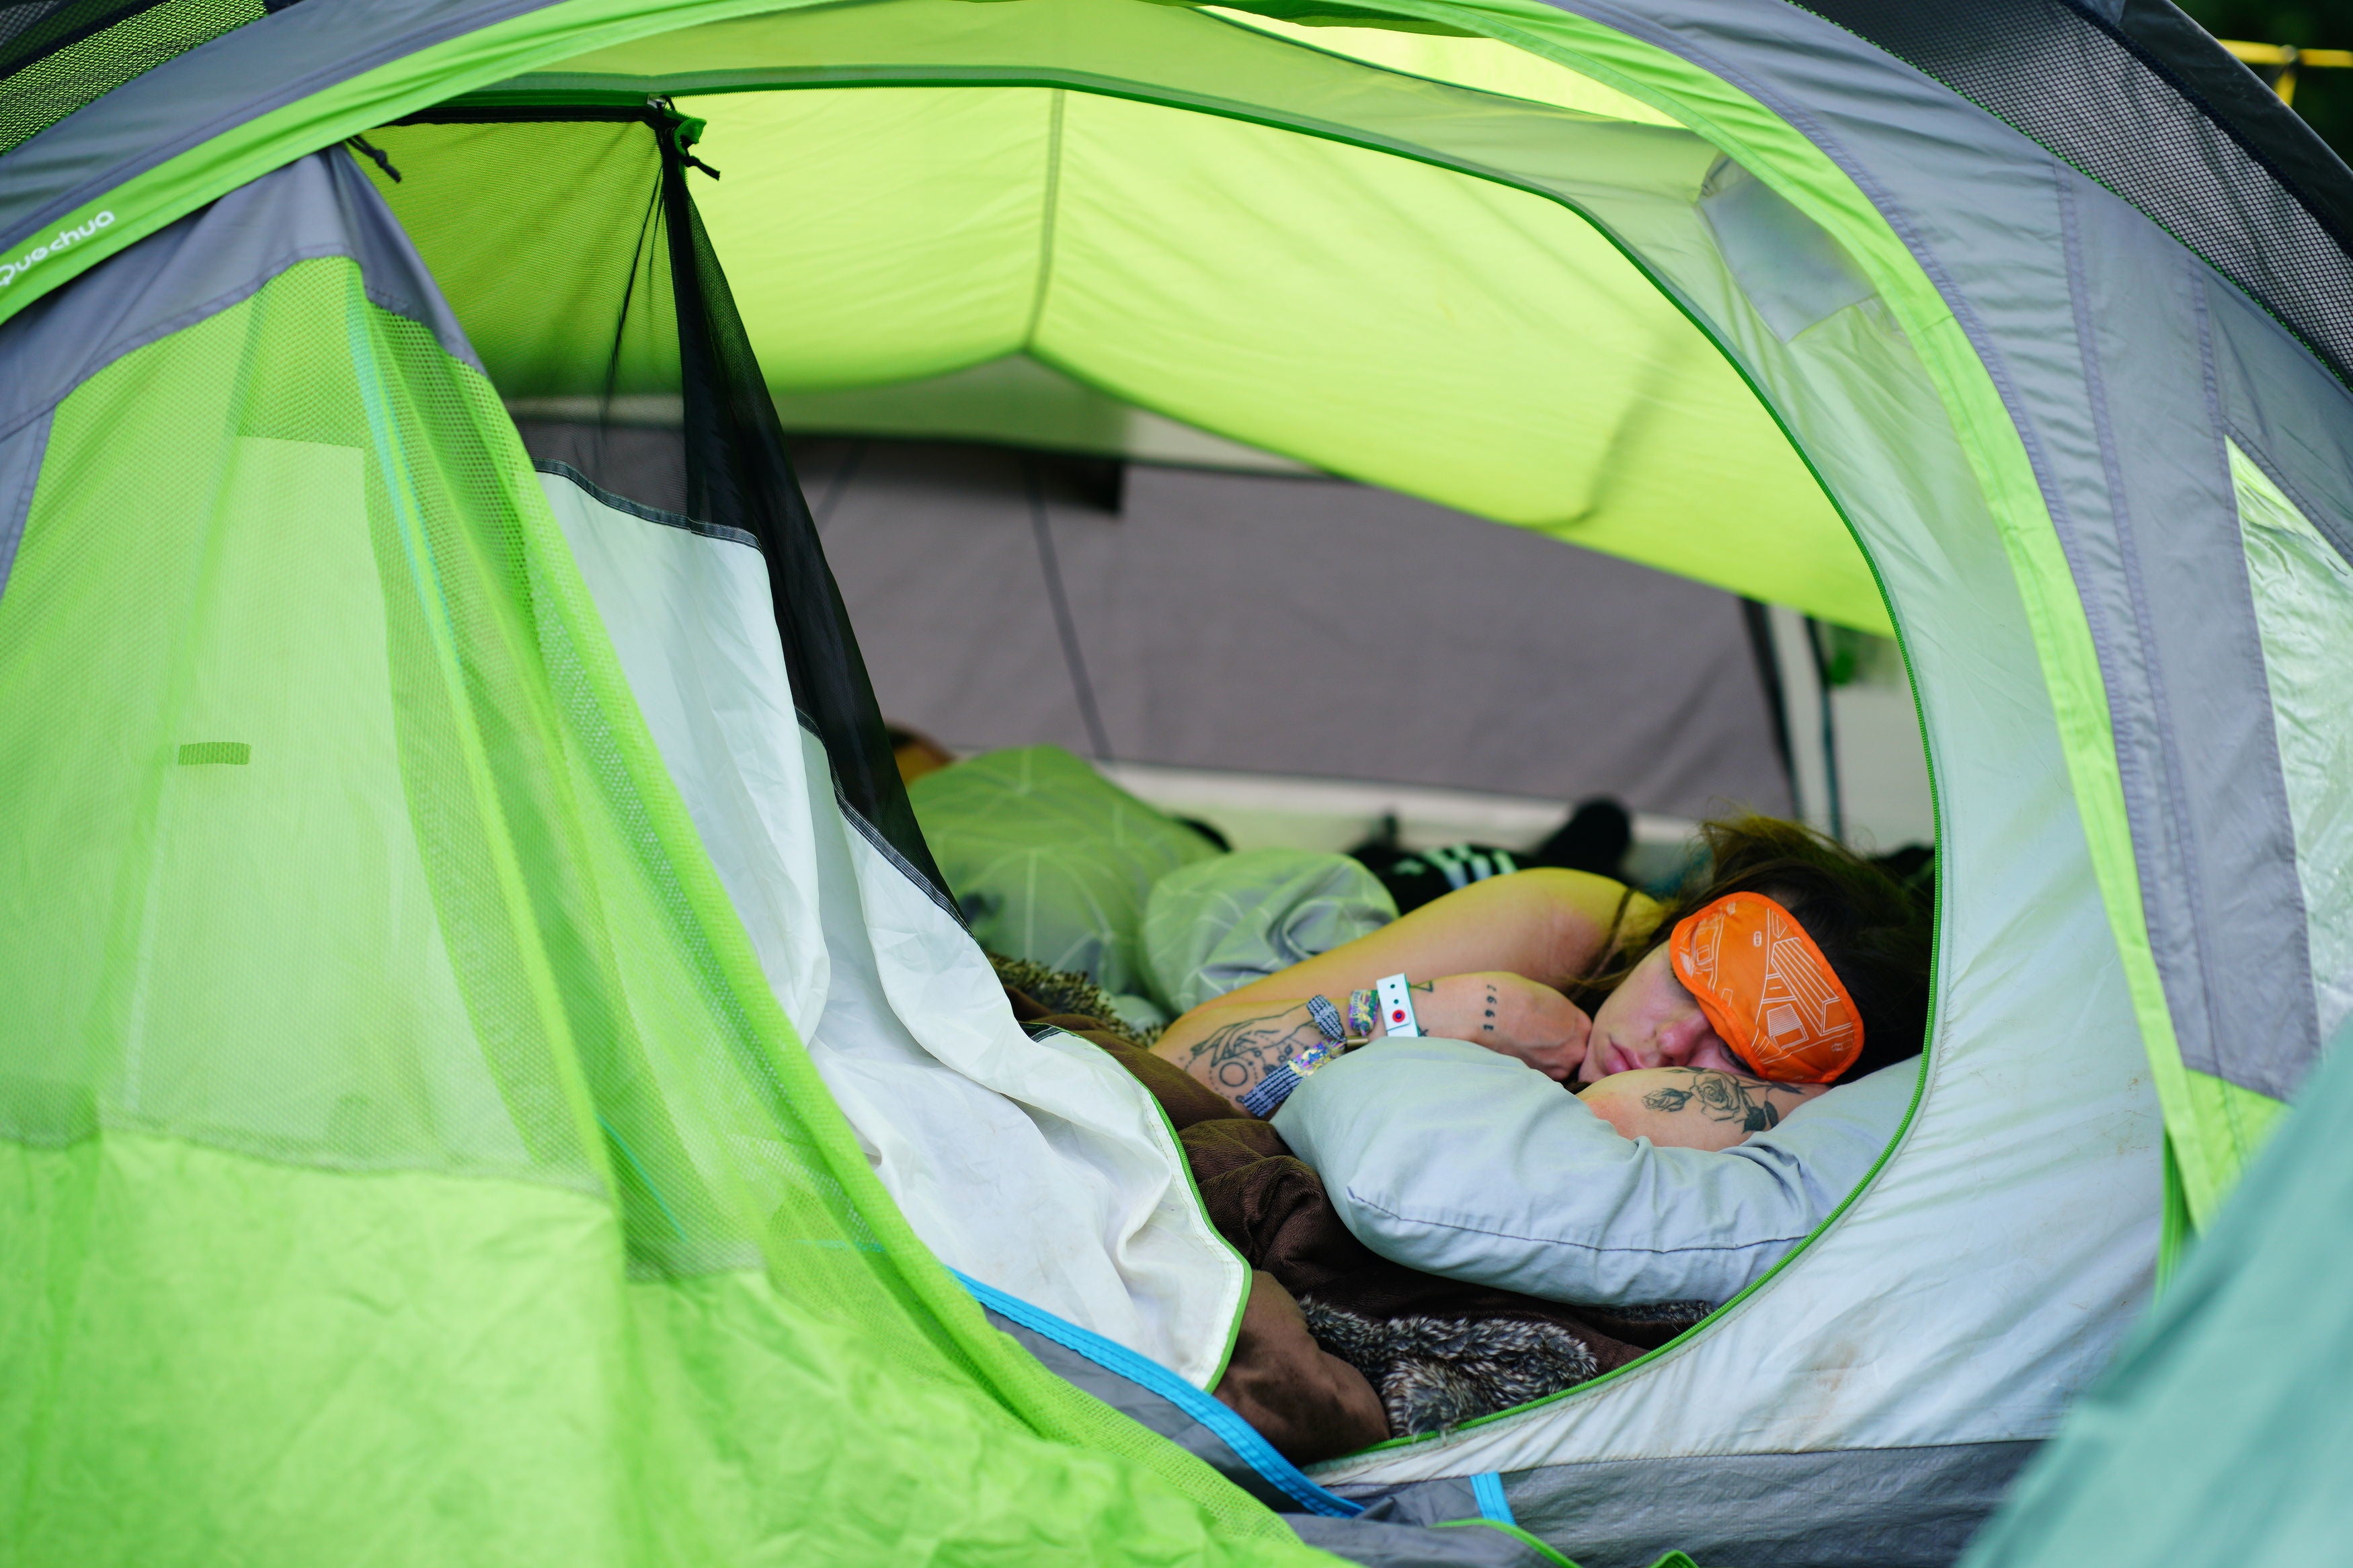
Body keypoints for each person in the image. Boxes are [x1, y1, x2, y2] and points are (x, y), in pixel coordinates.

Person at [1150, 815, 1930, 1152]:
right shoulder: (1560, 923)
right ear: (1666, 930)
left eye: (1738, 1052)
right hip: (1467, 896)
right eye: (1685, 982)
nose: (1672, 1039)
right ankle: (1580, 840)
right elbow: (1174, 1064)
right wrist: (1432, 1007)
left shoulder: (1807, 1107)